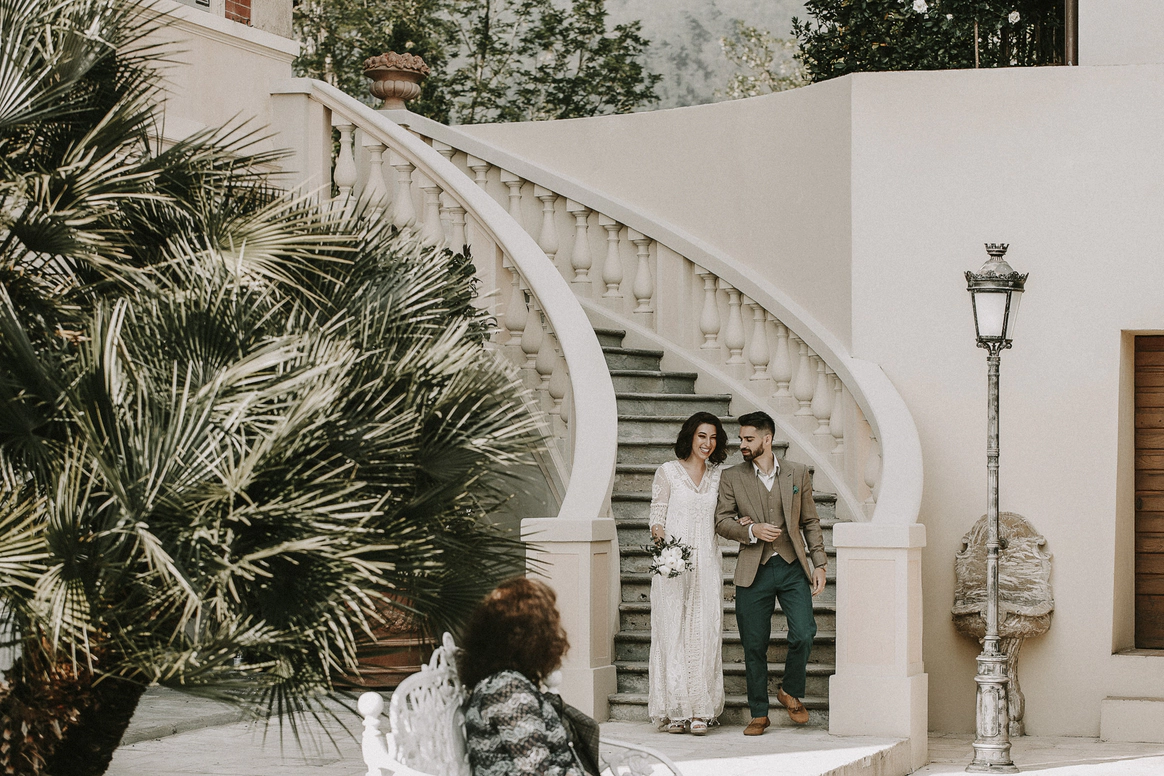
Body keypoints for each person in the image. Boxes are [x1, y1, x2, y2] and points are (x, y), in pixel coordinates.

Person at [714, 410, 826, 736]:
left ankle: (789, 690)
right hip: (754, 568)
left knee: (804, 632)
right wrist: (751, 531)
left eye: (749, 439)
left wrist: (819, 563)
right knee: (753, 644)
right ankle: (759, 714)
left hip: (792, 566)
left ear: (768, 438)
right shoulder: (732, 477)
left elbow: (810, 521)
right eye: (741, 439)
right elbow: (721, 522)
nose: (742, 444)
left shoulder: (797, 472)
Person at [647, 411, 728, 735]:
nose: (707, 443)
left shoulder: (720, 476)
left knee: (704, 631)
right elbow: (657, 519)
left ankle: (700, 711)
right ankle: (676, 710)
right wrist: (666, 551)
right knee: (672, 632)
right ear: (690, 436)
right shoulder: (667, 472)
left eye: (713, 437)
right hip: (673, 565)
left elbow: (725, 517)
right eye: (702, 436)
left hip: (707, 563)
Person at [460, 577, 585, 776]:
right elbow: (536, 771)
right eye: (549, 626)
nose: (557, 634)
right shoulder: (506, 689)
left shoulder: (503, 683)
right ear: (532, 636)